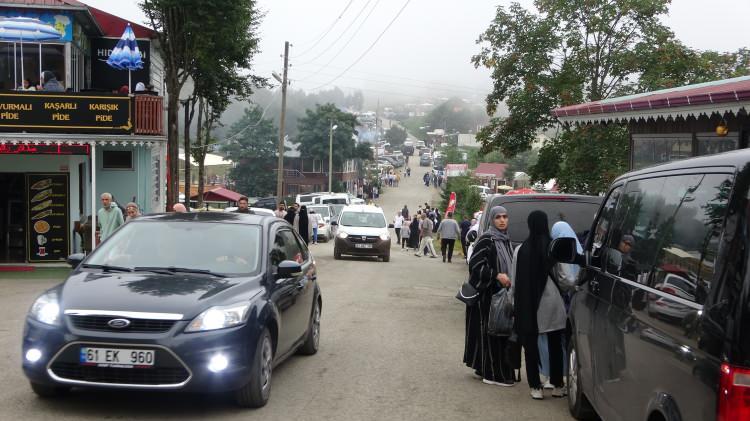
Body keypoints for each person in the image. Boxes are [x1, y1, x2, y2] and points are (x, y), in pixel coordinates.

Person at [513, 210, 566, 400]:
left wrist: (514, 302)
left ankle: (536, 387)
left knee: (531, 344)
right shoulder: (554, 247)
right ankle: (558, 384)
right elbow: (564, 277)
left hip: (528, 302)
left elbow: (514, 279)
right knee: (555, 343)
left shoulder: (521, 249)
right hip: (551, 301)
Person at [464, 205, 515, 386]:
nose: (502, 220)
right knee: (491, 334)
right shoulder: (487, 239)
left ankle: (483, 368)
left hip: (500, 295)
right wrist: (496, 275)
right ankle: (492, 374)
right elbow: (475, 266)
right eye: (498, 217)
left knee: (495, 333)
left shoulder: (505, 240)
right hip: (487, 296)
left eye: (505, 217)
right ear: (492, 220)